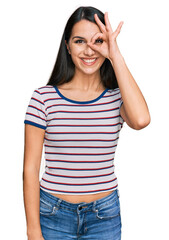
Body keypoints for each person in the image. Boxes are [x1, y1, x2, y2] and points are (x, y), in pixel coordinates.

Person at [23, 6, 151, 240]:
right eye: (80, 41)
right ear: (67, 45)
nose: (89, 50)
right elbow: (30, 170)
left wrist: (115, 54)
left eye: (98, 41)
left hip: (104, 216)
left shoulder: (116, 98)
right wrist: (33, 230)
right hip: (54, 214)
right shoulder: (43, 98)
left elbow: (142, 120)